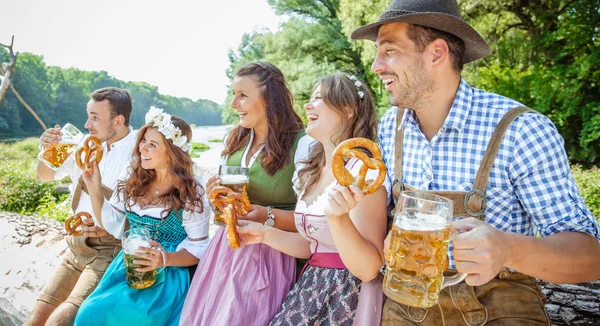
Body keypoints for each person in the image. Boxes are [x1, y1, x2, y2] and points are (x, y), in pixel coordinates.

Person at [351, 0, 600, 324]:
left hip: (500, 312)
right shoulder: (389, 126)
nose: (376, 66)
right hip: (403, 309)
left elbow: (589, 255)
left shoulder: (521, 129)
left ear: (437, 54)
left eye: (389, 51)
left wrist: (508, 250)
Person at [236, 73, 388, 325]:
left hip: (347, 295)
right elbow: (314, 247)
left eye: (318, 98)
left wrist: (338, 219)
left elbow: (369, 268)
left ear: (348, 109)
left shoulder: (364, 175)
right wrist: (263, 234)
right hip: (311, 285)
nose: (307, 105)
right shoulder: (310, 171)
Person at [179, 61, 311, 326]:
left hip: (273, 255)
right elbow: (223, 212)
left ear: (269, 99)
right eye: (233, 94)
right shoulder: (236, 141)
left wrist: (266, 215)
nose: (233, 104)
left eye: (242, 95)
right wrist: (216, 197)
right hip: (226, 252)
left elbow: (314, 220)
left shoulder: (304, 144)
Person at [74, 107, 211, 325]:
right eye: (143, 140)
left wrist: (163, 259)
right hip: (127, 265)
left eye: (152, 145)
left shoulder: (193, 191)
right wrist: (94, 187)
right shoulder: (133, 174)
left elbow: (200, 248)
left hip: (169, 272)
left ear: (172, 153)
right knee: (88, 315)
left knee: (138, 318)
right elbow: (113, 222)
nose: (142, 148)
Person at [26, 87, 136, 326]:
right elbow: (44, 176)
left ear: (118, 120)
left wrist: (112, 228)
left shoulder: (140, 152)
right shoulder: (83, 144)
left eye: (95, 117)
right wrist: (46, 151)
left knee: (59, 322)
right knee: (35, 320)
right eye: (88, 115)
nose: (87, 124)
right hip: (75, 246)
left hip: (110, 250)